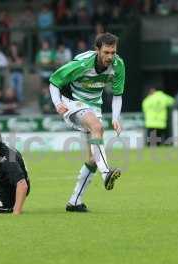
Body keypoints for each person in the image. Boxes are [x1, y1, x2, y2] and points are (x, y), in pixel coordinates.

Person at [49, 32, 124, 212]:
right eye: (106, 52)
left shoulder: (118, 64)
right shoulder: (82, 64)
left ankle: (74, 201)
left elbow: (117, 95)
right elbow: (54, 81)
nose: (110, 57)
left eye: (113, 52)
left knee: (92, 159)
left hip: (93, 106)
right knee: (97, 127)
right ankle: (106, 173)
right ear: (97, 50)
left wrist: (115, 118)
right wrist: (58, 103)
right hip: (71, 102)